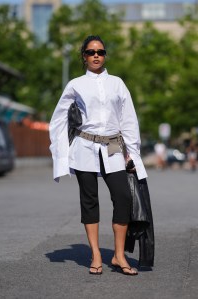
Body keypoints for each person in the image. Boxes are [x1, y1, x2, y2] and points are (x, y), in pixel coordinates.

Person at [49, 35, 148, 276]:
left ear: (105, 55)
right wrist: (61, 156)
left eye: (101, 52)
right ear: (83, 56)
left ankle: (118, 255)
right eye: (91, 52)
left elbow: (129, 120)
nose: (96, 55)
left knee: (123, 197)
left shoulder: (117, 83)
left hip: (114, 145)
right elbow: (59, 119)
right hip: (85, 146)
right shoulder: (75, 85)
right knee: (89, 201)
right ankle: (95, 254)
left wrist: (131, 153)